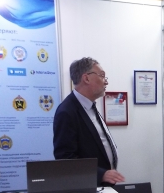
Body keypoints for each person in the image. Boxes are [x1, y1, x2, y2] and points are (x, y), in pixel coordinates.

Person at [53, 57, 125, 185]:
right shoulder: (67, 112)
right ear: (86, 78)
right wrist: (100, 174)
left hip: (103, 187)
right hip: (87, 188)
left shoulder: (90, 106)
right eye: (102, 76)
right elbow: (65, 159)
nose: (106, 82)